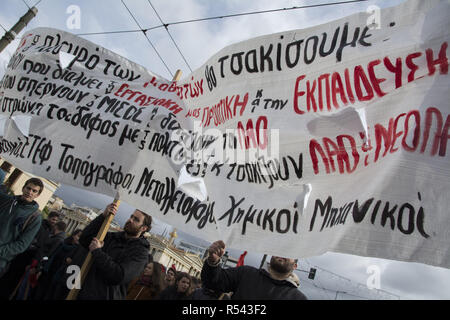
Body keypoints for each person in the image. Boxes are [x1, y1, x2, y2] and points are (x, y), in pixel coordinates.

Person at [69, 203, 151, 300]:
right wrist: (103, 216)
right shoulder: (112, 237)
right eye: (131, 216)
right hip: (84, 292)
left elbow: (119, 275)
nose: (130, 220)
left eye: (136, 219)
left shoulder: (141, 253)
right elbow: (85, 239)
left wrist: (98, 252)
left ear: (143, 228)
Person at [201, 240, 307, 300]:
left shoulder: (298, 298)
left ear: (295, 266)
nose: (282, 254)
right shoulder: (246, 273)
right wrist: (213, 262)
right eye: (279, 250)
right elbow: (213, 282)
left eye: (288, 253)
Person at [0, 178, 43, 284]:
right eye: (28, 188)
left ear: (38, 195)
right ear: (23, 188)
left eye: (34, 191)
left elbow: (22, 245)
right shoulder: (7, 201)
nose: (30, 192)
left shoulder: (35, 217)